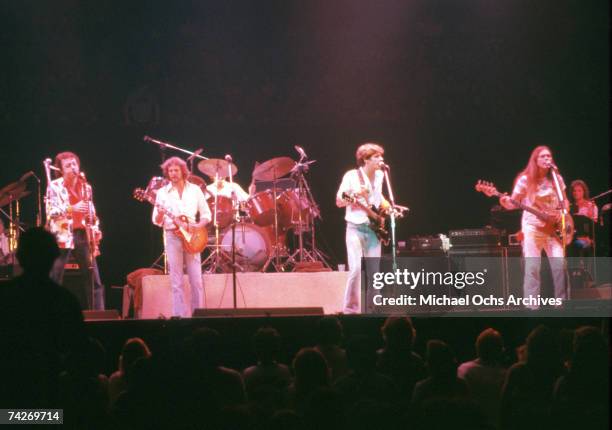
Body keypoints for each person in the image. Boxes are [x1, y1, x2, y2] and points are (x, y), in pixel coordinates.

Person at [499, 146, 569, 308]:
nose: (547, 159)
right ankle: (532, 308)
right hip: (532, 228)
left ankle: (562, 304)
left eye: (549, 156)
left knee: (560, 266)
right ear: (535, 160)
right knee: (533, 268)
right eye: (543, 157)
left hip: (553, 229)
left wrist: (563, 213)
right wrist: (503, 200)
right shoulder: (525, 179)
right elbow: (512, 203)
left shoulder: (557, 179)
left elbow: (565, 201)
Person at [152, 156, 211, 317]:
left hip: (192, 236)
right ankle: (179, 316)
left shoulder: (195, 190)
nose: (173, 173)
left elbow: (207, 214)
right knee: (176, 281)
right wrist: (160, 215)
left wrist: (197, 226)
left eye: (176, 170)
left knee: (196, 280)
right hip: (172, 236)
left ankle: (198, 315)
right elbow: (156, 220)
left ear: (183, 171)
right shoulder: (162, 193)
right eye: (170, 171)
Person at [335, 143, 390, 314]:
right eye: (376, 157)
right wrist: (357, 195)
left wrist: (387, 206)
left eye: (381, 156)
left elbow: (376, 198)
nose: (381, 159)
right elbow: (339, 200)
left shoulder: (380, 174)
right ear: (366, 159)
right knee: (356, 269)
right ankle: (350, 310)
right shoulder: (351, 176)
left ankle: (374, 309)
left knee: (375, 272)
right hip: (355, 228)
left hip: (373, 228)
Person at [47, 151, 105, 310]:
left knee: (93, 279)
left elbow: (91, 210)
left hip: (82, 234)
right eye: (68, 165)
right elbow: (51, 212)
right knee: (55, 277)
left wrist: (96, 226)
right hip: (62, 235)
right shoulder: (54, 186)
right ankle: (50, 313)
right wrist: (72, 208)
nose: (73, 167)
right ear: (61, 169)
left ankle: (99, 315)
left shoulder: (86, 186)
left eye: (74, 164)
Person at [569, 180, 598, 256]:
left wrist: (589, 238)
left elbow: (594, 227)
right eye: (574, 191)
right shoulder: (569, 207)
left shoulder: (591, 206)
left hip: (586, 238)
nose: (576, 193)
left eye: (579, 191)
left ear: (584, 192)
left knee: (582, 245)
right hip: (572, 238)